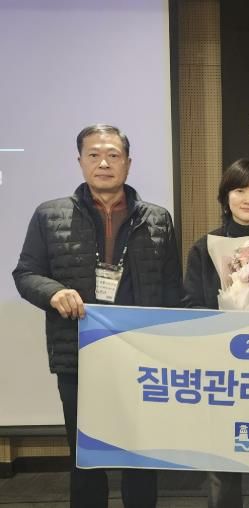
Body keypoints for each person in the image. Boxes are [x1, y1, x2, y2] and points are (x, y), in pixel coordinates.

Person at [13, 124, 182, 507]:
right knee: (86, 458)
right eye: (94, 155)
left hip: (141, 357)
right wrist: (53, 292)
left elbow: (171, 288)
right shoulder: (49, 215)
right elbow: (26, 274)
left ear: (128, 163)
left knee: (141, 455)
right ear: (80, 161)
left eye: (113, 155)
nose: (104, 163)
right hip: (79, 355)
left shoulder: (157, 219)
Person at [182, 158, 249, 508]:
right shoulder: (204, 247)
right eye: (240, 190)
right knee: (224, 455)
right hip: (221, 366)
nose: (248, 199)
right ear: (226, 197)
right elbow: (190, 304)